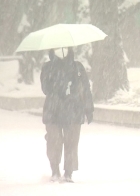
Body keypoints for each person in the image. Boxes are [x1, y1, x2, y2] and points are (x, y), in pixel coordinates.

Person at [40, 47, 94, 182]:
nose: (61, 51)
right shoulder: (48, 67)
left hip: (73, 109)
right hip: (53, 110)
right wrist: (58, 81)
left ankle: (68, 172)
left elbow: (85, 88)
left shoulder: (77, 67)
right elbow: (45, 88)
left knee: (72, 141)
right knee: (54, 140)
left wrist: (89, 108)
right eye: (58, 48)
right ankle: (55, 170)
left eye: (64, 47)